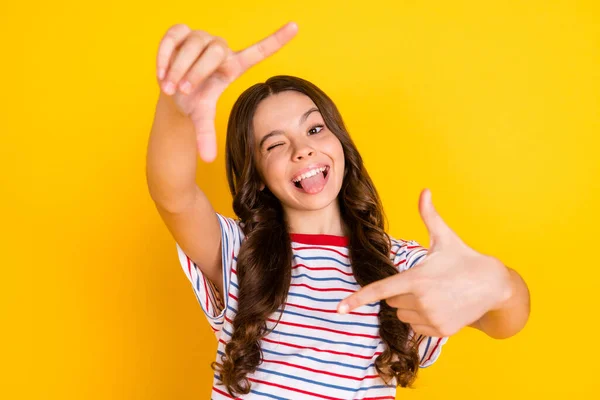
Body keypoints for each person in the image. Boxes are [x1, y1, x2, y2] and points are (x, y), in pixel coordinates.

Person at [146, 22, 531, 400]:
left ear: (340, 142)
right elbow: (174, 195)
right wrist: (177, 104)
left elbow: (505, 321)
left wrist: (497, 286)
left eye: (314, 130)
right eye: (274, 145)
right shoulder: (236, 253)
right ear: (259, 177)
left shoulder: (398, 266)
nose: (302, 149)